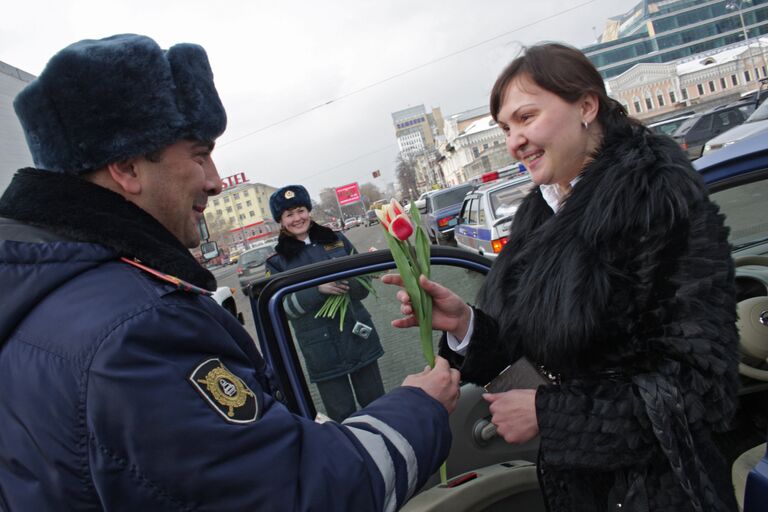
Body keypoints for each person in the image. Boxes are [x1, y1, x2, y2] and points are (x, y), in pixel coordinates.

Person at [0, 34, 460, 511]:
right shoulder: (136, 328)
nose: (216, 181)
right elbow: (296, 494)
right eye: (200, 155)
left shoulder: (42, 292)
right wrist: (419, 408)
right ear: (126, 168)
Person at [384, 42, 740, 511]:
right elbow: (538, 349)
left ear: (587, 106)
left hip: (662, 490)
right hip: (577, 485)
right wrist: (465, 323)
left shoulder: (659, 202)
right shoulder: (543, 211)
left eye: (526, 118)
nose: (513, 141)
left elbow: (702, 387)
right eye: (506, 128)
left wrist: (550, 416)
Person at [264, 185, 385, 421]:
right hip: (322, 351)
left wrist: (348, 283)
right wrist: (318, 290)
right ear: (280, 221)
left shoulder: (337, 240)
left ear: (308, 211)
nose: (297, 218)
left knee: (378, 406)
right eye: (289, 215)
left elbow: (363, 286)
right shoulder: (277, 261)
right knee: (342, 417)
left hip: (358, 336)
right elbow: (282, 309)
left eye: (300, 210)